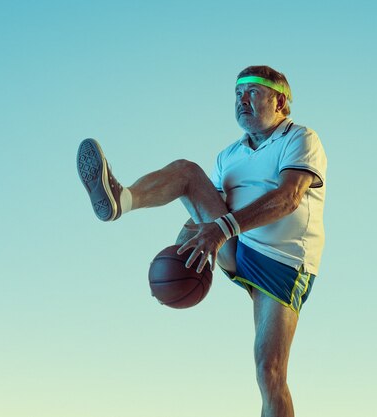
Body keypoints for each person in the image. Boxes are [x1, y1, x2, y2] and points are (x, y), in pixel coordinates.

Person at [77, 65, 326, 417]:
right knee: (187, 172)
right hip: (238, 245)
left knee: (269, 370)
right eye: (238, 94)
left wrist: (221, 228)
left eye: (253, 92)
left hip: (283, 261)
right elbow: (203, 212)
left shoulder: (301, 138)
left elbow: (289, 198)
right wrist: (181, 248)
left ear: (280, 100)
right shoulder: (229, 155)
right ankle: (123, 199)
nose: (242, 99)